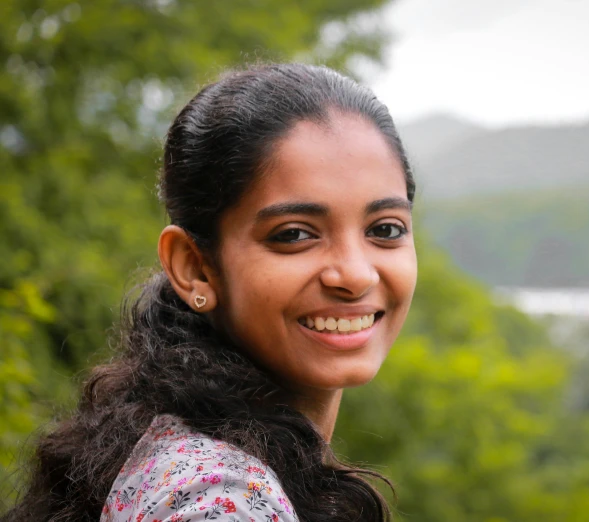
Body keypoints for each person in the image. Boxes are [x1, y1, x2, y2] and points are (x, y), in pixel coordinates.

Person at [3, 63, 417, 522]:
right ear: (194, 267)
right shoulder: (219, 501)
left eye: (385, 229)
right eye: (295, 234)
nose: (356, 275)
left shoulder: (168, 447)